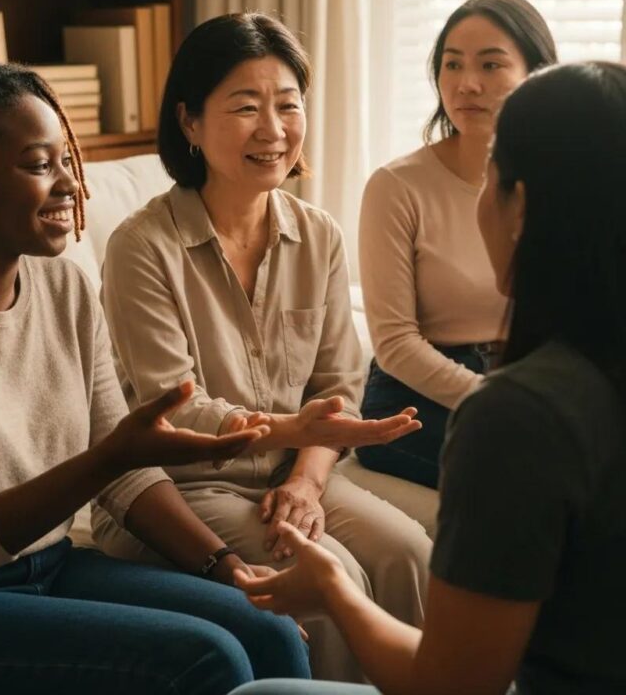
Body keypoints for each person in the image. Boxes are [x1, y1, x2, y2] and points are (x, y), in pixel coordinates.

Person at [0, 57, 316, 695]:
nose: (69, 184)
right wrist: (110, 456)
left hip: (42, 567)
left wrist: (225, 567)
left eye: (66, 160)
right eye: (38, 165)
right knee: (204, 657)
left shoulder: (63, 286)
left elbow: (126, 470)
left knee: (266, 628)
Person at [233, 61, 626, 695]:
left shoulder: (520, 418)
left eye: (491, 173)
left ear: (519, 205)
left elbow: (451, 685)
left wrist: (332, 588)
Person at [92, 12, 433, 682]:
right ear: (189, 122)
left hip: (286, 477)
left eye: (288, 104)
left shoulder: (319, 235)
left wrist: (306, 479)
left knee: (410, 553)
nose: (273, 129)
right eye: (246, 107)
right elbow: (174, 410)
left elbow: (336, 381)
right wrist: (291, 431)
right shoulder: (142, 247)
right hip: (183, 488)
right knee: (334, 580)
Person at [357, 0, 557, 488]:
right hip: (418, 400)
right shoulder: (397, 186)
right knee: (538, 479)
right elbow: (396, 342)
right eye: (452, 65)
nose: (467, 84)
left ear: (537, 72)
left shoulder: (562, 179)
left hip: (527, 379)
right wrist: (499, 401)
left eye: (491, 64)